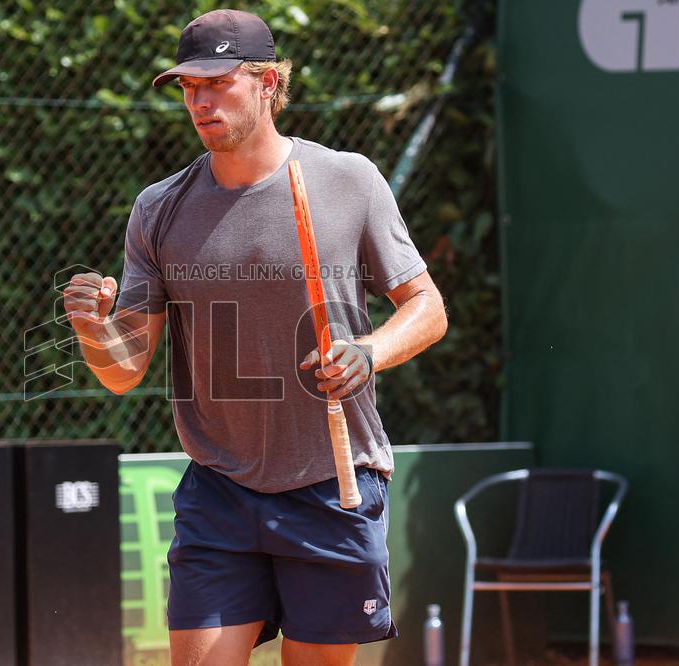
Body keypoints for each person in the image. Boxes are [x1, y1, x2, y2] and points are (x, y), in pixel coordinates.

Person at [63, 9, 447, 666]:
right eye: (188, 87)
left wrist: (368, 351)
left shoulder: (348, 180)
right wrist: (94, 331)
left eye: (217, 83)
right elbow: (125, 370)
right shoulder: (159, 208)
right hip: (220, 488)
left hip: (333, 482)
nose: (200, 101)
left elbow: (427, 307)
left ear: (267, 82)